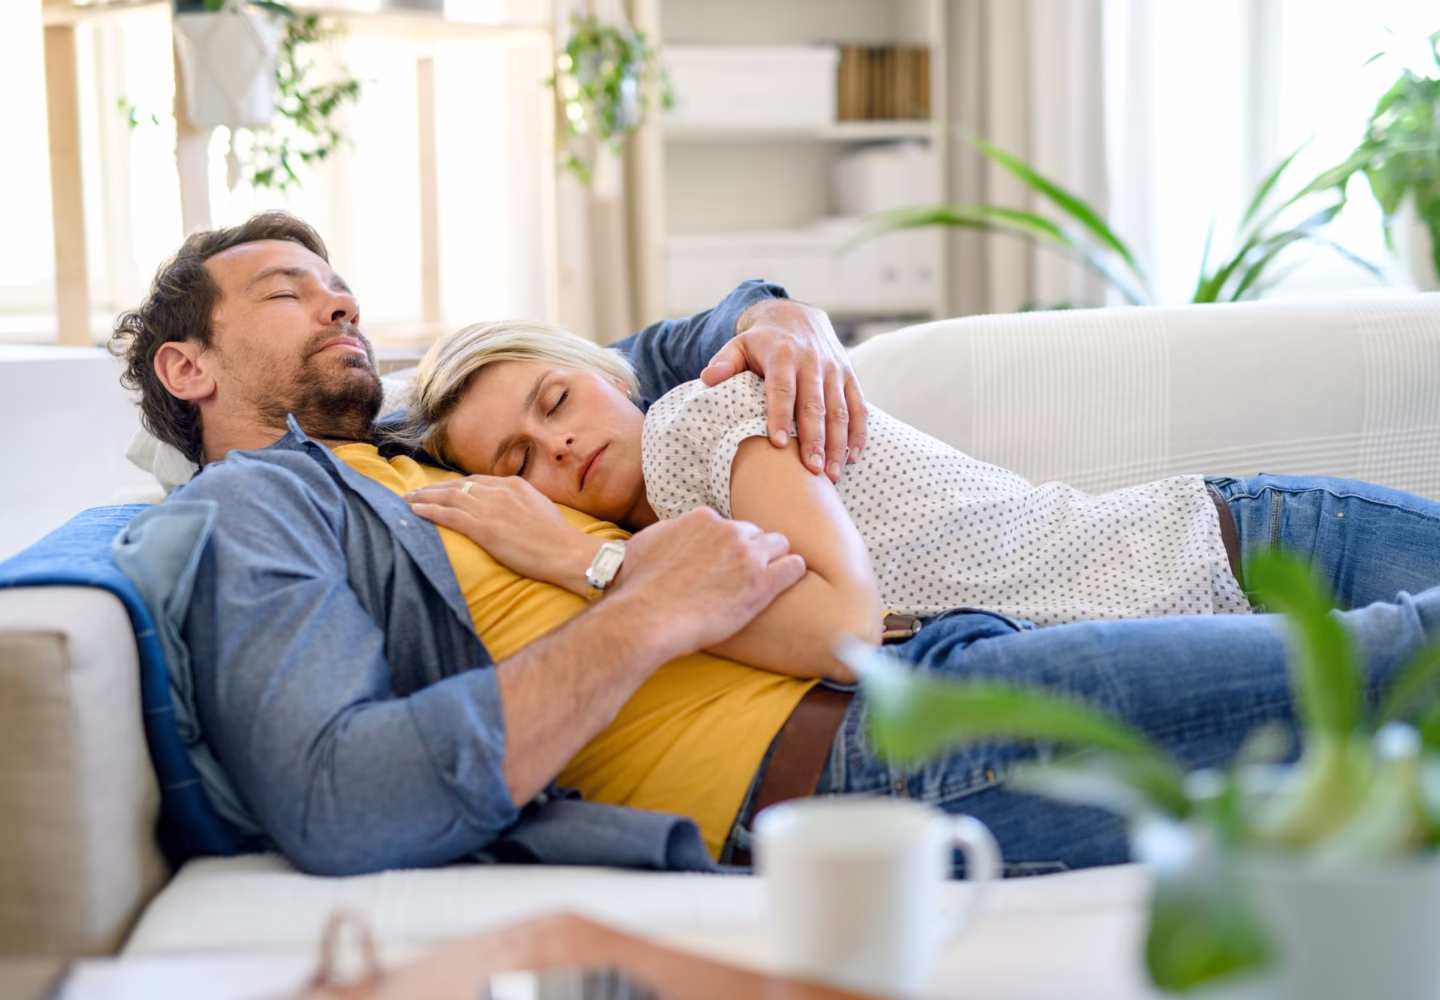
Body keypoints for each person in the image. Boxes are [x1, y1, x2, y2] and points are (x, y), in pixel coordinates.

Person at [108, 209, 1440, 878]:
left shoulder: (430, 444)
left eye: (340, 289)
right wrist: (643, 607)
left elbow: (642, 367)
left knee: (1387, 699)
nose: (339, 305)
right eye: (288, 293)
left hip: (924, 676)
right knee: (1389, 673)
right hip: (856, 763)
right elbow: (341, 799)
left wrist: (779, 315)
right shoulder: (253, 512)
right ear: (188, 365)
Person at [389, 319, 1440, 681]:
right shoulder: (679, 537)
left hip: (1245, 550)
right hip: (1200, 616)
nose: (559, 445)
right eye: (519, 459)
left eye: (556, 400)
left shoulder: (694, 421)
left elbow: (841, 627)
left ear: (605, 375)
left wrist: (583, 561)